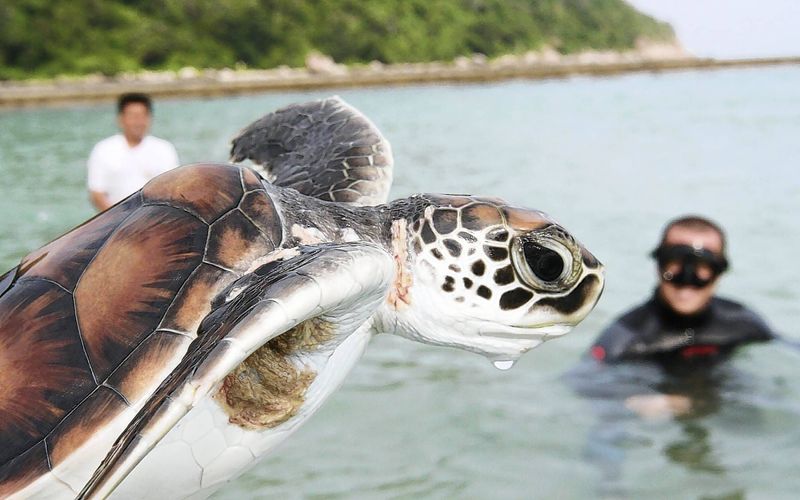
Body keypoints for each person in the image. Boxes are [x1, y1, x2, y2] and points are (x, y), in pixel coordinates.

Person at [587, 215, 774, 417]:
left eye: (702, 267)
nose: (687, 280)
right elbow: (582, 381)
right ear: (658, 265)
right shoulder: (627, 334)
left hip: (723, 401)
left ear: (719, 272)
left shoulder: (743, 323)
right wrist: (627, 400)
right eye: (675, 264)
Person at [87, 92, 179, 211]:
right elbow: (97, 193)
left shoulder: (164, 149)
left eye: (142, 116)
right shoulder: (103, 149)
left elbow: (174, 189)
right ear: (121, 119)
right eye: (133, 116)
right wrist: (117, 220)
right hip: (116, 220)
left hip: (156, 219)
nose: (138, 122)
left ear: (149, 118)